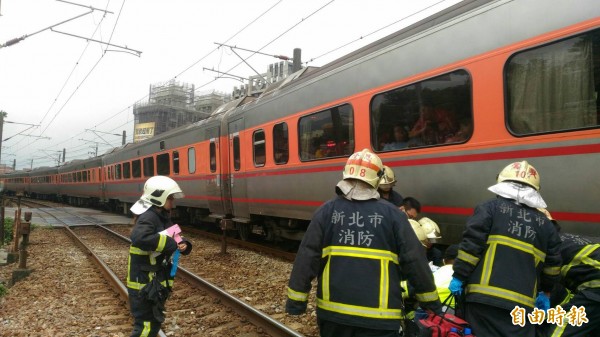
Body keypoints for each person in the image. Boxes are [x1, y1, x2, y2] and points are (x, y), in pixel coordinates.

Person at [286, 149, 442, 337]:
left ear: (345, 174)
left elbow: (307, 257)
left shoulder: (326, 212)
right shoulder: (393, 215)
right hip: (380, 319)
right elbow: (415, 262)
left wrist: (296, 303)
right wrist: (432, 306)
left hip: (334, 316)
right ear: (377, 178)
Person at [449, 160, 562, 337]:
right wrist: (546, 292)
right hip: (522, 306)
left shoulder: (489, 209)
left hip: (483, 300)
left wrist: (459, 276)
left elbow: (471, 247)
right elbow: (553, 266)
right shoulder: (546, 225)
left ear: (501, 183)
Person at [127, 176, 193, 337]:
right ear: (159, 197)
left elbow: (175, 235)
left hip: (152, 283)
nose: (173, 202)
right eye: (170, 198)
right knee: (146, 326)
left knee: (153, 324)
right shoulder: (149, 217)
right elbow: (139, 237)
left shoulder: (163, 217)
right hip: (143, 285)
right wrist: (171, 244)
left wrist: (184, 244)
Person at [544, 216, 600, 337]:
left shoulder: (546, 245)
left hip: (596, 287)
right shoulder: (570, 239)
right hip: (593, 286)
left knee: (561, 328)